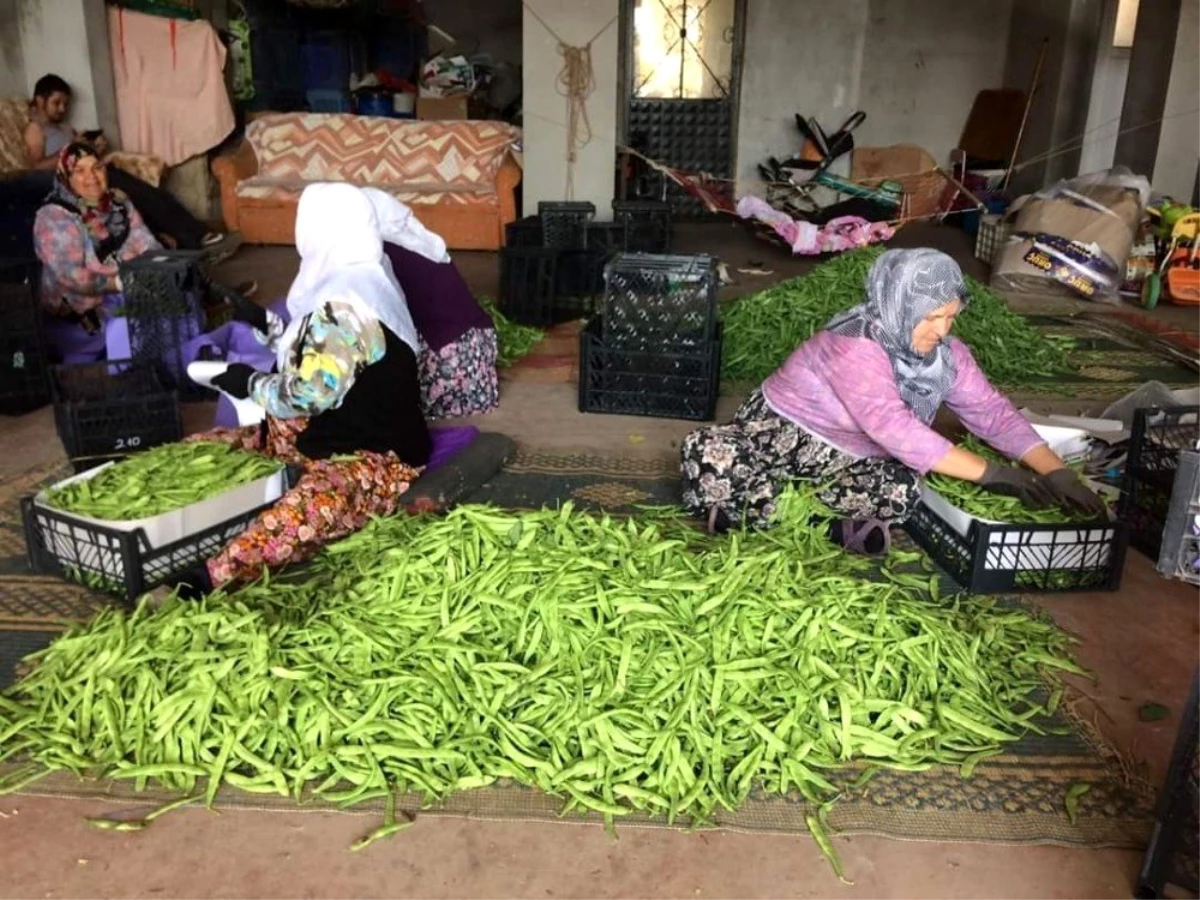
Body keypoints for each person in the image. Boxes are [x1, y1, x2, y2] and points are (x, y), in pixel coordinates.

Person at [680, 248, 1107, 553]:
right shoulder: (854, 342)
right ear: (899, 306)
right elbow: (894, 427)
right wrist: (994, 474)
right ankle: (802, 514)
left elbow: (991, 412)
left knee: (904, 490)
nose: (941, 330)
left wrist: (1056, 473)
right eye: (931, 317)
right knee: (713, 455)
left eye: (951, 316)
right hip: (786, 435)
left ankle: (788, 514)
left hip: (856, 454)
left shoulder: (946, 356)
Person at [172, 182, 431, 595]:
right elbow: (317, 355)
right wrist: (267, 326)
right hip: (324, 429)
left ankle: (212, 576)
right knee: (208, 449)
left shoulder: (349, 306)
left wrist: (248, 382)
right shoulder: (359, 274)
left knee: (310, 509)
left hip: (375, 455)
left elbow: (308, 395)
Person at [22, 73, 231, 253]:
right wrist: (72, 149)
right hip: (78, 179)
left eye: (65, 104)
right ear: (40, 101)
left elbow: (79, 152)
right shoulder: (36, 129)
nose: (62, 109)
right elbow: (36, 167)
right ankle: (192, 236)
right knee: (141, 196)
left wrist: (91, 146)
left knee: (148, 195)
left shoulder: (65, 127)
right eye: (56, 103)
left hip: (96, 170)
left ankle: (192, 233)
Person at [362, 187, 500, 419]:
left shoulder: (383, 252)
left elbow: (376, 316)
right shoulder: (412, 240)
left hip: (450, 356)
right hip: (475, 348)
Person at [33, 142, 163, 363]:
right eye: (79, 171)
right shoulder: (53, 217)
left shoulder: (119, 205)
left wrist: (158, 270)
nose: (92, 177)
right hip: (80, 321)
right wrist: (118, 283)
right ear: (66, 178)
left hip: (127, 299)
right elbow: (70, 276)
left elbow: (148, 245)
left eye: (97, 167)